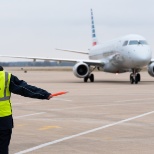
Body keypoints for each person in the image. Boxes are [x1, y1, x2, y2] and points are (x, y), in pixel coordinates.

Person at [0, 66, 53, 154]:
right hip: (3, 119)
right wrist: (44, 94)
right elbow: (24, 89)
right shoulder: (6, 77)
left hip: (4, 119)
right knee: (2, 147)